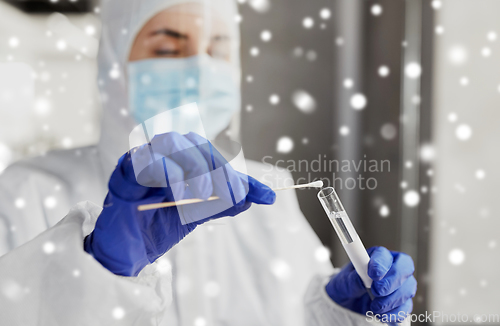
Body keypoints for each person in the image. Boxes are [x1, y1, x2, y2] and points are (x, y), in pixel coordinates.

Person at [0, 0, 416, 324]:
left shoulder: (270, 191)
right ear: (113, 63)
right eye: (167, 47)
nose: (198, 69)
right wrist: (101, 271)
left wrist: (342, 314)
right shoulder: (28, 193)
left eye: (218, 51)